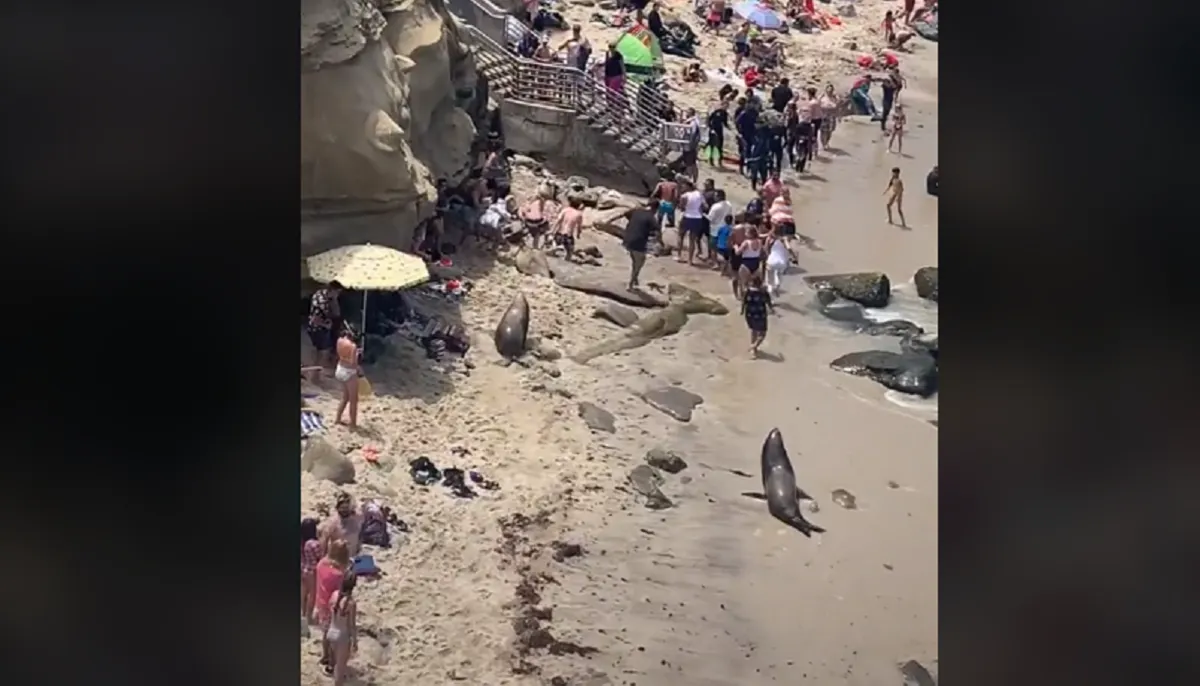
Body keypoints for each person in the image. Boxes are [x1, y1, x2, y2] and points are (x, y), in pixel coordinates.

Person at [316, 539, 352, 673]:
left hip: (321, 604)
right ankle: (331, 662)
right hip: (332, 608)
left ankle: (324, 656)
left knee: (325, 633)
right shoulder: (339, 575)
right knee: (333, 638)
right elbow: (340, 593)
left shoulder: (320, 565)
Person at [326, 571, 359, 686]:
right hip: (342, 636)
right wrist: (355, 641)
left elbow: (329, 612)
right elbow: (351, 625)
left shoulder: (334, 595)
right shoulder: (351, 603)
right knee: (340, 670)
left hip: (331, 632)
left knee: (335, 665)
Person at [623, 199, 659, 290]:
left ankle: (635, 279)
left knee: (635, 261)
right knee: (640, 262)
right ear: (655, 209)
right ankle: (630, 284)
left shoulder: (637, 211)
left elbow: (626, 214)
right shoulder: (651, 217)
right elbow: (657, 231)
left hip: (627, 239)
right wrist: (660, 242)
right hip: (638, 241)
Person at [307, 282, 343, 370]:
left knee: (319, 351)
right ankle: (316, 374)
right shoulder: (322, 301)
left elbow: (336, 313)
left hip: (317, 327)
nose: (338, 295)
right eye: (337, 292)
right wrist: (325, 325)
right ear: (333, 291)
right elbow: (315, 318)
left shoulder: (321, 294)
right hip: (318, 328)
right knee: (324, 352)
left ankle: (315, 372)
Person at [740, 271, 774, 357]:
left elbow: (744, 301)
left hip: (749, 314)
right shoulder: (763, 292)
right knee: (763, 333)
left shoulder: (748, 291)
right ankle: (754, 346)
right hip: (761, 314)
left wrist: (742, 310)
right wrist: (771, 309)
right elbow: (768, 301)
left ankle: (753, 350)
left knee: (754, 331)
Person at [334, 327, 361, 429]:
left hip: (340, 368)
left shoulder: (339, 340)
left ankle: (338, 419)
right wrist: (357, 354)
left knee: (345, 397)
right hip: (349, 372)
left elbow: (341, 355)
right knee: (353, 401)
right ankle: (353, 424)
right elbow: (353, 363)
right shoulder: (353, 346)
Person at [678, 182, 708, 266]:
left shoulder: (684, 196)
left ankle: (679, 255)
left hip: (687, 216)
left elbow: (681, 207)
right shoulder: (699, 194)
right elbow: (705, 206)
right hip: (697, 218)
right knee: (692, 239)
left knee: (681, 236)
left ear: (688, 187)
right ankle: (690, 260)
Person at [301, 517, 323, 625]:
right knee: (312, 595)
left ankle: (303, 613)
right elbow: (320, 556)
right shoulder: (314, 544)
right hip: (312, 571)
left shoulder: (302, 541)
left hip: (303, 568)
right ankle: (308, 617)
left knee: (304, 592)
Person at [706, 189, 733, 263]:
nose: (714, 197)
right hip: (726, 228)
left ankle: (715, 262)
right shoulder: (729, 204)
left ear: (719, 197)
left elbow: (710, 218)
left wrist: (703, 214)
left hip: (715, 230)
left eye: (715, 196)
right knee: (724, 247)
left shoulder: (715, 206)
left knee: (713, 248)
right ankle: (726, 262)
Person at [764, 227, 790, 297]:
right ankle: (777, 286)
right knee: (779, 275)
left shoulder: (769, 239)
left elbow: (766, 249)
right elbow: (788, 249)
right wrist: (793, 257)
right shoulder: (785, 239)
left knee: (769, 281)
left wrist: (768, 256)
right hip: (782, 262)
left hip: (771, 261)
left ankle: (771, 298)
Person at [603, 43, 626, 115]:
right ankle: (610, 106)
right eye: (610, 47)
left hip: (616, 75)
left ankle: (614, 108)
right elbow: (606, 63)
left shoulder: (618, 55)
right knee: (608, 92)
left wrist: (624, 75)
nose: (611, 49)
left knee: (612, 91)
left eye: (613, 47)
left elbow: (622, 65)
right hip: (608, 75)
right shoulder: (607, 54)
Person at [706, 102, 729, 166]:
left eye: (727, 106)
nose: (725, 107)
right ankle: (711, 159)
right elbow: (709, 119)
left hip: (719, 130)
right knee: (712, 145)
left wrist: (729, 127)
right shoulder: (716, 111)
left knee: (720, 145)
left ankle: (720, 160)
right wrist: (711, 128)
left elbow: (725, 122)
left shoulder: (725, 113)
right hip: (713, 129)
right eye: (725, 106)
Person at [818, 83, 840, 149]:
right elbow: (817, 105)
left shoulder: (834, 98)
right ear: (826, 90)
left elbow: (837, 107)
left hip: (831, 116)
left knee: (830, 131)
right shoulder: (822, 97)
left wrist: (838, 116)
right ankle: (823, 143)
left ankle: (827, 142)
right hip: (823, 116)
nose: (830, 91)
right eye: (828, 89)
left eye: (831, 90)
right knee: (823, 131)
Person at [805, 87, 825, 156]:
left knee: (811, 135)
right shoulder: (818, 101)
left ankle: (812, 150)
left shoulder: (811, 103)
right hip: (819, 119)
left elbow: (810, 113)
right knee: (815, 134)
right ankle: (815, 149)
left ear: (809, 94)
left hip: (813, 120)